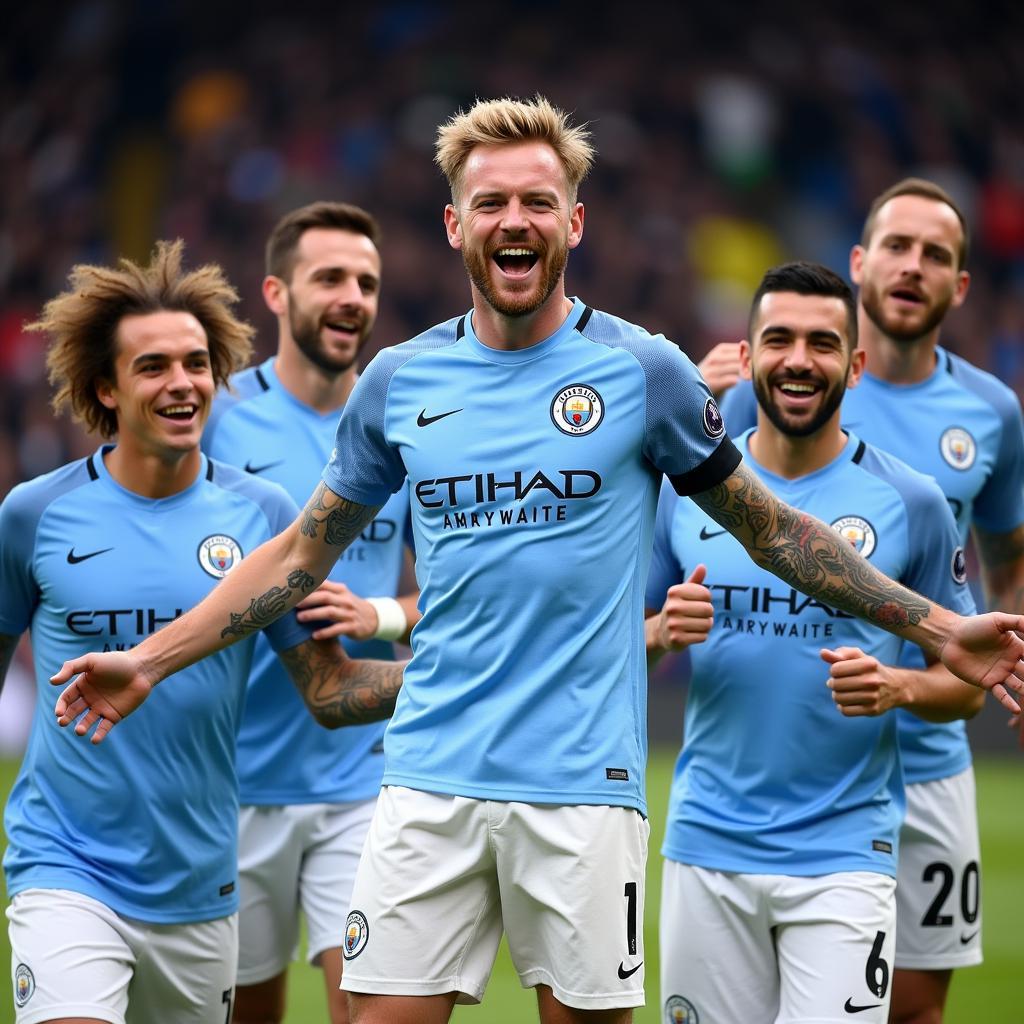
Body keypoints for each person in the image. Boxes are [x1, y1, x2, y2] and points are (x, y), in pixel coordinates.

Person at [50, 101, 1024, 1024]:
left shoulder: (646, 372)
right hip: (427, 775)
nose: (513, 221)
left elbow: (773, 530)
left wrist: (940, 626)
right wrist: (150, 659)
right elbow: (301, 552)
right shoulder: (399, 381)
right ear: (452, 222)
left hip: (582, 788)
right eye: (491, 203)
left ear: (574, 220)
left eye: (536, 202)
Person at [0, 241, 404, 1024]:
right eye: (152, 366)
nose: (181, 383)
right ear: (102, 389)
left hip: (199, 884)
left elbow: (328, 689)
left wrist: (464, 674)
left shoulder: (266, 518)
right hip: (64, 865)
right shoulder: (33, 516)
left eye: (196, 363)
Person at [720, 179, 1024, 1024]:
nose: (911, 266)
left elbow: (1006, 561)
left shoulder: (991, 414)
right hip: (804, 754)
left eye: (936, 255)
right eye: (896, 246)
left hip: (925, 760)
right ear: (859, 263)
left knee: (916, 1010)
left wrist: (1009, 664)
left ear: (960, 286)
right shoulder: (772, 383)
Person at [646, 261, 981, 1024]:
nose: (800, 359)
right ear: (751, 355)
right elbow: (607, 648)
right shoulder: (683, 491)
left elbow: (959, 681)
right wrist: (663, 632)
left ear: (855, 365)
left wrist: (899, 687)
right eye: (780, 339)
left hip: (844, 853)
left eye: (823, 343)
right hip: (707, 845)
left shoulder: (913, 503)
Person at [202, 201, 419, 1024]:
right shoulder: (215, 417)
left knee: (364, 1006)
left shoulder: (406, 422)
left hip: (363, 775)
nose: (352, 297)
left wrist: (382, 613)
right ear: (275, 292)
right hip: (232, 779)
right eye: (329, 277)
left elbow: (456, 591)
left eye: (366, 282)